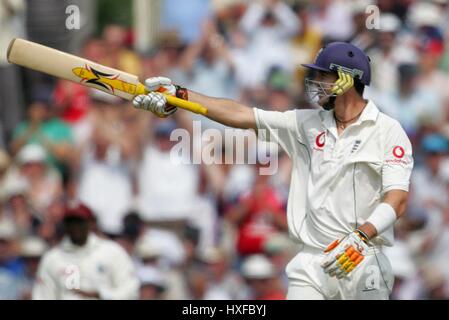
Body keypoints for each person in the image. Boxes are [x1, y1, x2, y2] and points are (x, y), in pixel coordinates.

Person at [132, 41, 414, 300]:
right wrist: (181, 96)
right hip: (312, 263)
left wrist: (361, 236)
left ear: (345, 80)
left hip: (363, 258)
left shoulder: (387, 132)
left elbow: (397, 199)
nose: (315, 83)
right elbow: (241, 115)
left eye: (323, 76)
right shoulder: (305, 123)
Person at [32, 203, 139, 300]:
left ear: (91, 223)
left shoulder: (112, 252)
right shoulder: (52, 258)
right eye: (70, 222)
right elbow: (42, 295)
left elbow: (130, 291)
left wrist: (100, 295)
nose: (75, 227)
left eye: (79, 222)